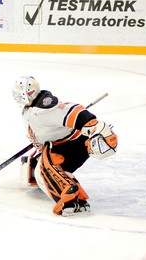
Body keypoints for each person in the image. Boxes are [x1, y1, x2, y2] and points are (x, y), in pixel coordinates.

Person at [12, 76, 118, 216]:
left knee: (44, 166)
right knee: (39, 172)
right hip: (67, 146)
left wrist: (91, 124)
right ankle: (73, 192)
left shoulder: (42, 108)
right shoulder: (32, 108)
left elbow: (72, 111)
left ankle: (70, 198)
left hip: (72, 144)